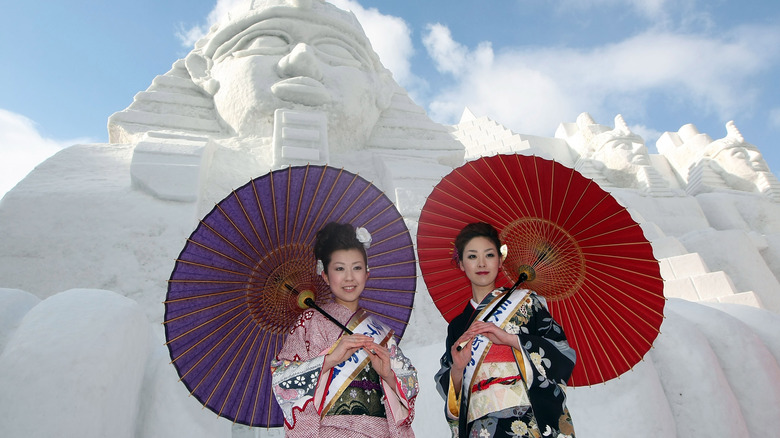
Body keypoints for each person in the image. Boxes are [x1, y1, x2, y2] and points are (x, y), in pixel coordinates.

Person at [271, 222, 418, 437]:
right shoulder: (310, 322)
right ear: (325, 275)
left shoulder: (382, 332)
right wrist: (330, 359)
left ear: (367, 273)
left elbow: (410, 383)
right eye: (340, 269)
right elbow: (283, 377)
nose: (349, 277)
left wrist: (387, 374)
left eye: (357, 267)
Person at [434, 222, 576, 437]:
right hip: (481, 424)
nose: (481, 263)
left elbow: (562, 354)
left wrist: (511, 340)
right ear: (461, 263)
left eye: (489, 255)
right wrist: (458, 368)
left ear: (500, 260)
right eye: (472, 256)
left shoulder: (527, 303)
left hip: (526, 418)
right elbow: (451, 392)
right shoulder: (458, 326)